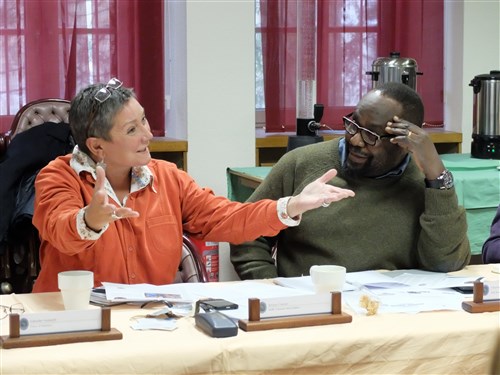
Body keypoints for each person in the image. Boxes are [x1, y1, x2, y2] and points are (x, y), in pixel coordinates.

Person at [31, 78, 355, 292]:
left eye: (144, 119)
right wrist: (91, 220)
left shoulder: (168, 177)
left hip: (148, 321)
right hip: (74, 320)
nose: (147, 135)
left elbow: (225, 218)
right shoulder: (57, 177)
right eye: (131, 129)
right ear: (98, 146)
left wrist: (290, 206)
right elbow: (60, 229)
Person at [230, 82, 471, 279]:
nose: (355, 140)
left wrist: (437, 176)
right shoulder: (301, 164)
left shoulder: (424, 183)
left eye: (370, 135)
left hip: (389, 314)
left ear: (403, 143)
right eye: (352, 125)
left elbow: (446, 262)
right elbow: (246, 231)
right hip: (310, 309)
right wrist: (270, 288)